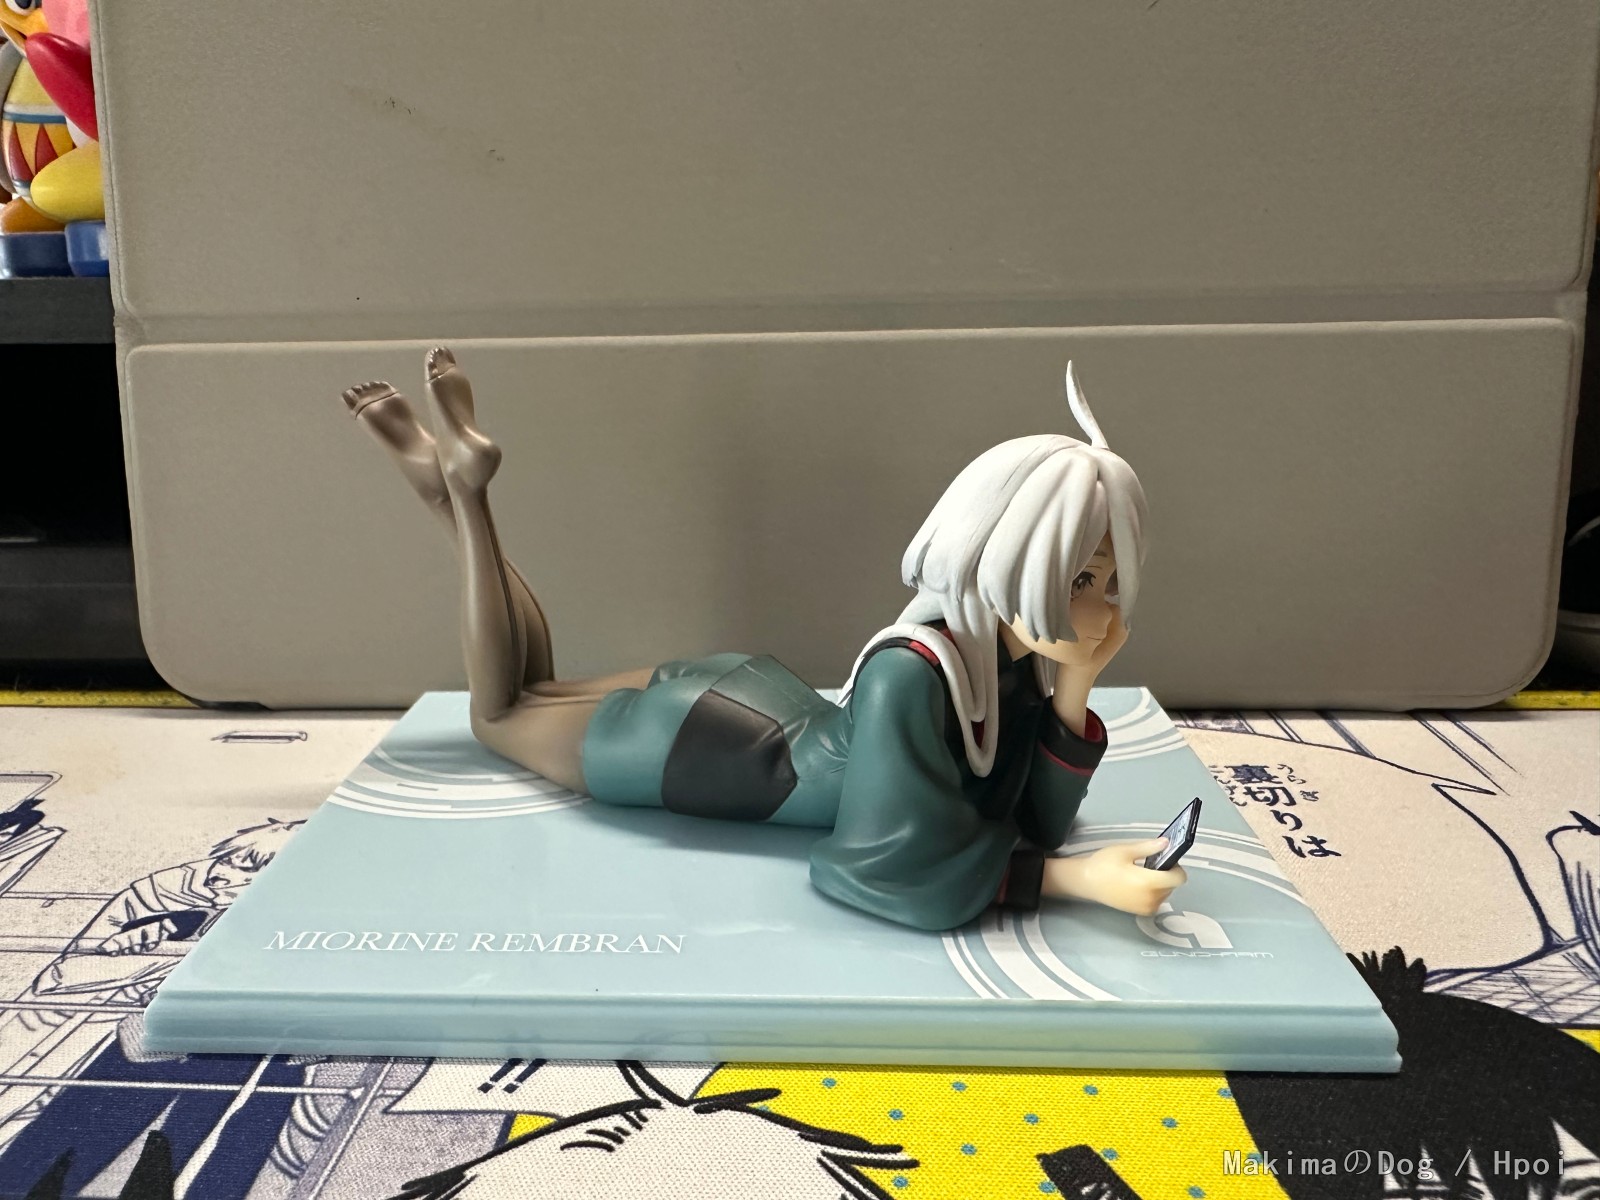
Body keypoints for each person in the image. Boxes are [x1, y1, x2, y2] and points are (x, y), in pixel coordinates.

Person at [342, 351, 1186, 931]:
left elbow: (1030, 820)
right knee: (498, 713)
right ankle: (462, 496)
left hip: (750, 704)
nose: (1103, 612)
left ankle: (451, 491)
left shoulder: (1004, 663)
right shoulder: (916, 673)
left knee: (534, 690)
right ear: (1009, 559)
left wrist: (1076, 685)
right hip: (697, 747)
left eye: (1110, 584)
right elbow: (881, 869)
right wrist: (1074, 883)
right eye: (1081, 582)